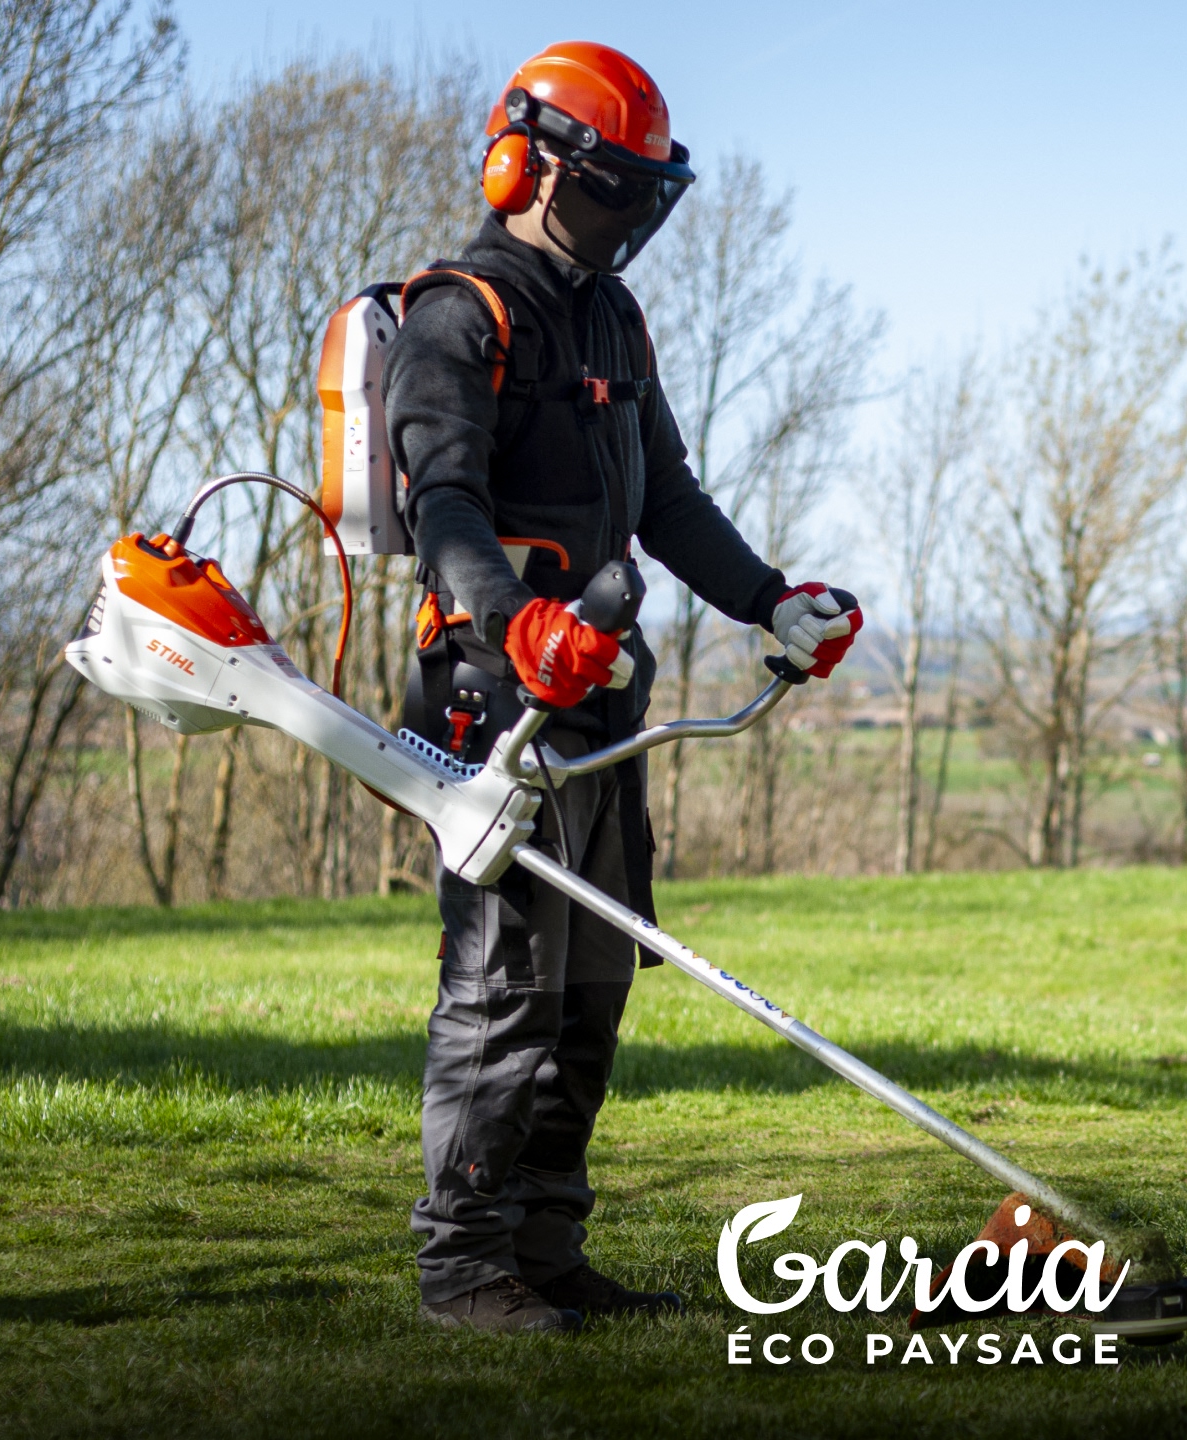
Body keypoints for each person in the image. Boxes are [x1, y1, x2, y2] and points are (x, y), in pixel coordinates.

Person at [383, 40, 861, 1335]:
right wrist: (514, 622)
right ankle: (463, 1268)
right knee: (505, 988)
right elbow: (442, 502)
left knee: (595, 981)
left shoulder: (613, 317)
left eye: (643, 196)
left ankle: (546, 1251)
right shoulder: (460, 316)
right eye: (610, 191)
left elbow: (668, 499)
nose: (626, 220)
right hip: (494, 697)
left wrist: (771, 600)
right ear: (523, 167)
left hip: (601, 697)